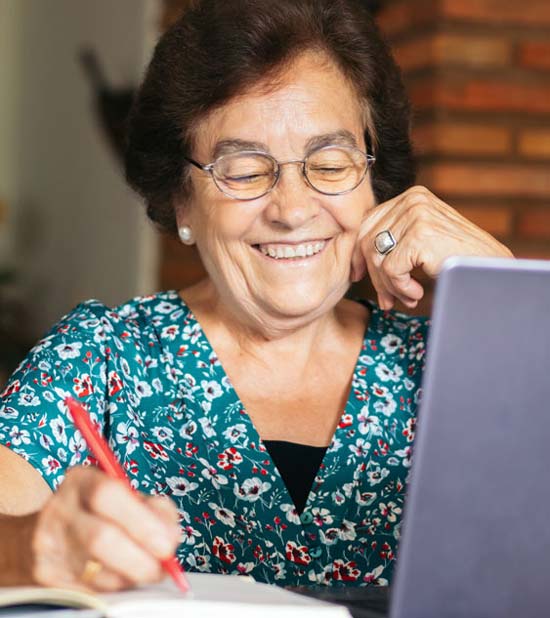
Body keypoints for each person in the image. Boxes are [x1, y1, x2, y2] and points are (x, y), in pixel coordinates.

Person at [0, 0, 512, 592]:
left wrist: (503, 302)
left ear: (375, 183)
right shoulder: (100, 358)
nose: (293, 210)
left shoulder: (456, 366)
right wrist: (31, 550)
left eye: (329, 162)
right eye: (243, 170)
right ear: (183, 202)